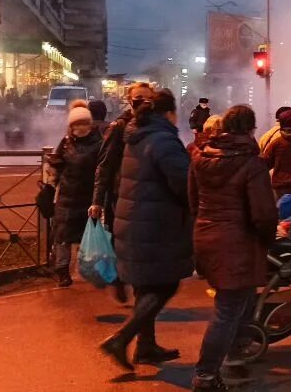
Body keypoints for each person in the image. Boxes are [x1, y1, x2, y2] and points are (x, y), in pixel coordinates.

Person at [98, 89, 192, 371]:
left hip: (132, 220)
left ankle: (146, 346)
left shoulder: (136, 134)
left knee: (146, 286)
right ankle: (122, 338)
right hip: (155, 225)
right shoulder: (163, 140)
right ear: (169, 113)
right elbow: (184, 185)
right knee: (166, 283)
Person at [189, 105, 277, 391]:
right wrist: (268, 238)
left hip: (206, 235)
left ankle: (238, 344)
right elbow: (263, 213)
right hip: (236, 243)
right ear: (251, 129)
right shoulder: (252, 164)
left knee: (236, 302)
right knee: (227, 310)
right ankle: (205, 374)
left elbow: (192, 200)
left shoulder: (200, 157)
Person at [91, 82, 154, 304]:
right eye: (138, 98)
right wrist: (97, 201)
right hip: (121, 197)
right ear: (129, 100)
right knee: (123, 245)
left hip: (147, 198)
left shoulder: (155, 125)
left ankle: (140, 300)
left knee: (142, 251)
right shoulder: (119, 127)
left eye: (147, 99)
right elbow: (104, 165)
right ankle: (119, 277)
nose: (143, 103)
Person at [48, 105, 104, 287]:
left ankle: (91, 268)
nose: (80, 128)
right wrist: (50, 187)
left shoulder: (99, 143)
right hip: (66, 197)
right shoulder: (65, 143)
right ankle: (62, 271)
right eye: (76, 124)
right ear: (71, 127)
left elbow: (103, 169)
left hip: (89, 196)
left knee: (90, 235)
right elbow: (55, 166)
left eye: (83, 124)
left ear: (90, 125)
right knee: (62, 236)